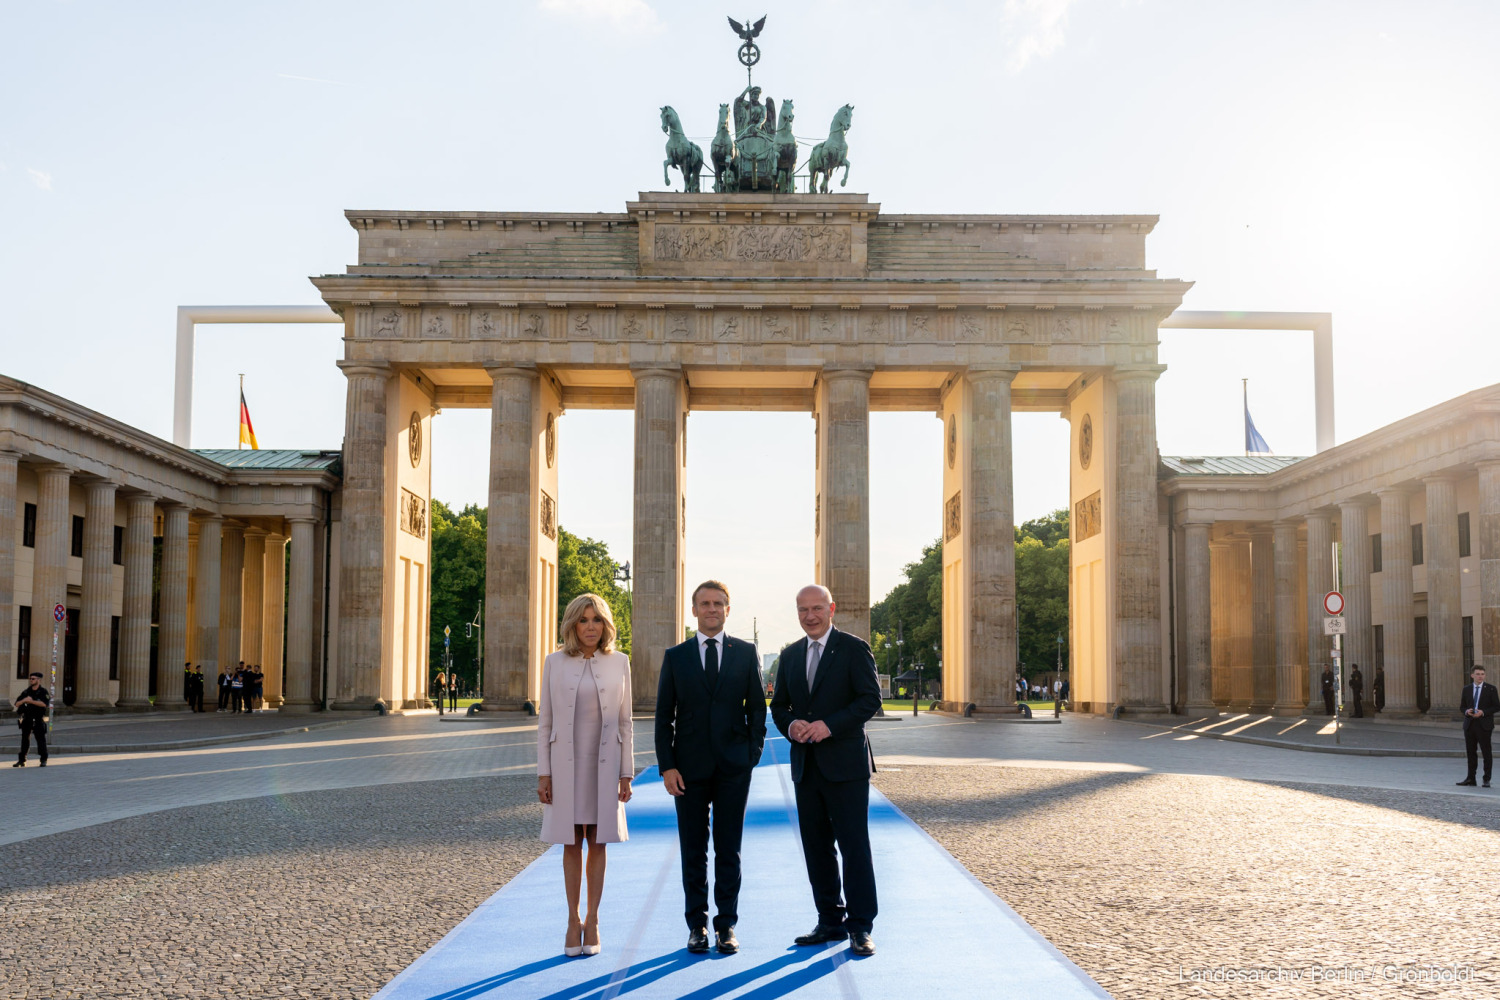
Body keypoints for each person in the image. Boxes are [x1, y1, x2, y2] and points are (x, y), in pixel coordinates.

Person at [770, 584, 881, 957]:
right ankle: (829, 920)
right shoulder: (789, 655)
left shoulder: (853, 648)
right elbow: (779, 705)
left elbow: (870, 699)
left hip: (846, 766)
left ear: (831, 609)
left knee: (853, 846)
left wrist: (829, 725)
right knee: (817, 848)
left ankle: (861, 926)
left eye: (817, 608)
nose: (810, 616)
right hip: (806, 765)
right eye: (803, 610)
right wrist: (791, 725)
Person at [655, 580, 766, 954]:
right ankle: (696, 926)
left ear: (728, 610)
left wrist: (752, 754)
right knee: (693, 850)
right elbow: (662, 718)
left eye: (719, 603)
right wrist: (667, 766)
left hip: (734, 767)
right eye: (705, 603)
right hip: (687, 769)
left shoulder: (745, 652)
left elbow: (757, 710)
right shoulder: (676, 656)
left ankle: (727, 926)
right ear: (694, 610)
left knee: (729, 850)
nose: (712, 609)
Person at [537, 593, 634, 957]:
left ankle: (593, 919)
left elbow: (625, 722)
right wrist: (543, 773)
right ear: (572, 625)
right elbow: (544, 721)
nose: (590, 627)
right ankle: (571, 919)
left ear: (605, 625)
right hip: (565, 764)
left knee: (598, 839)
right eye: (583, 620)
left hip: (605, 764)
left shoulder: (620, 662)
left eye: (596, 620)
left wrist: (626, 773)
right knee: (570, 841)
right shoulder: (554, 662)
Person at [1457, 666, 1499, 787]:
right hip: (1470, 725)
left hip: (1484, 725)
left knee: (1486, 752)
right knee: (1471, 752)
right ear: (1472, 676)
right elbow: (1462, 706)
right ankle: (1471, 778)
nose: (1480, 676)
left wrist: (1483, 712)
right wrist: (1466, 711)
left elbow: (1496, 706)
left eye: (1482, 674)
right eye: (1478, 674)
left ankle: (1486, 779)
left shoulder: (1491, 689)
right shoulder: (1467, 689)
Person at [13, 672, 51, 767]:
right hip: (27, 718)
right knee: (25, 740)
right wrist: (24, 700)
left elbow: (44, 704)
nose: (31, 680)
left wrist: (31, 701)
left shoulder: (43, 692)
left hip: (38, 719)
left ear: (39, 680)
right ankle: (22, 760)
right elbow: (17, 704)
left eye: (33, 678)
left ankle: (43, 759)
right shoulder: (26, 692)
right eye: (30, 678)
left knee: (40, 740)